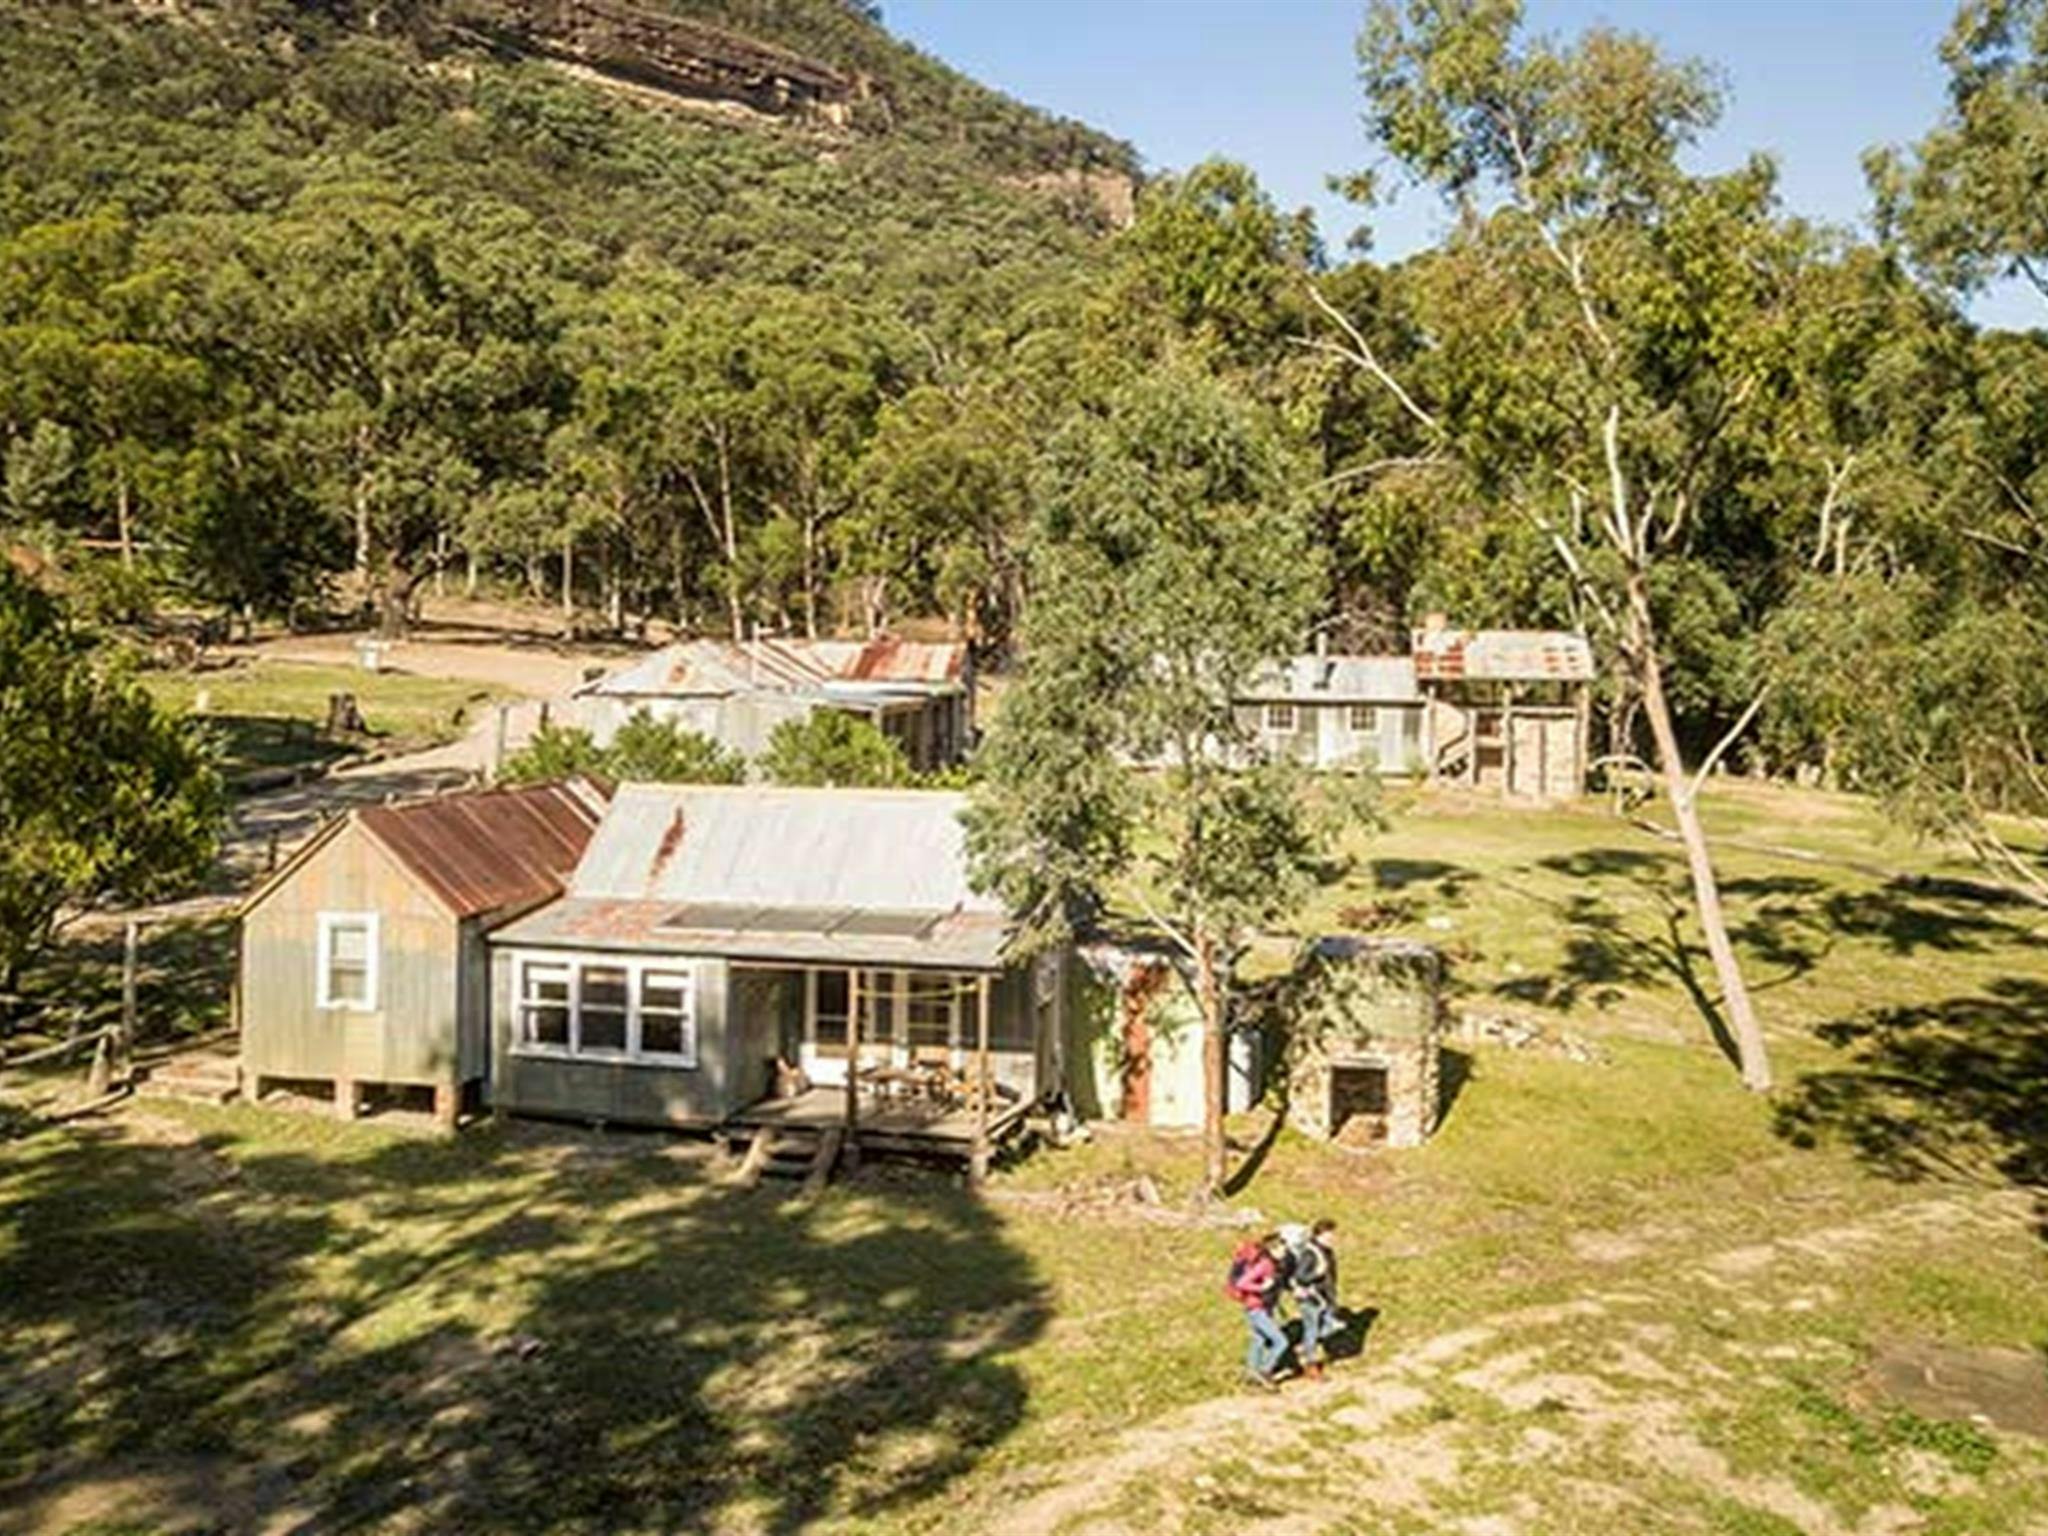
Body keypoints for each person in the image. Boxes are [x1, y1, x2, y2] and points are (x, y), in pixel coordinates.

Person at [1224, 1233, 1288, 1389]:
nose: (1284, 1252)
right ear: (1272, 1249)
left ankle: (1251, 1373)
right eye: (1281, 1249)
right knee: (1281, 1342)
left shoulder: (1271, 1263)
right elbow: (1242, 1283)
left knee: (1258, 1340)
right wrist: (1261, 1287)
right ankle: (1265, 1371)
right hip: (1257, 1308)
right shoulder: (1265, 1264)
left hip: (1257, 1308)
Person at [1290, 1218, 1341, 1381]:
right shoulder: (1310, 1253)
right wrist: (1317, 1273)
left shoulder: (1326, 1251)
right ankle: (1310, 1365)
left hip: (1324, 1298)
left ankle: (1304, 1349)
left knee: (1328, 1327)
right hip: (1312, 1298)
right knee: (1312, 1330)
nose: (1332, 1237)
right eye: (1329, 1234)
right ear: (1319, 1234)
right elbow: (1300, 1276)